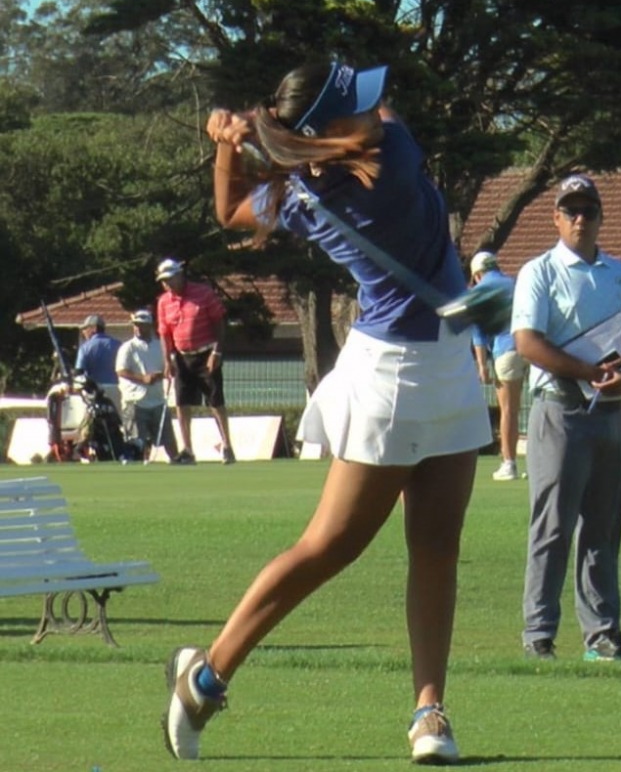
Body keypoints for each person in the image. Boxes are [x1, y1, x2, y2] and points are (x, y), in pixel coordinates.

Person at [161, 61, 491, 765]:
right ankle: (206, 673)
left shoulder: (302, 194)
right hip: (394, 376)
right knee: (330, 547)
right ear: (329, 133)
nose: (376, 111)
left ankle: (430, 713)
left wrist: (234, 141)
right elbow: (391, 120)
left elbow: (230, 212)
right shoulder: (393, 159)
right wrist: (259, 132)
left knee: (438, 547)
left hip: (448, 360)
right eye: (356, 110)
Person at [511, 173, 621, 662]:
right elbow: (527, 342)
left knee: (604, 527)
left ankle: (602, 635)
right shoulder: (541, 271)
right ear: (555, 217)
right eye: (570, 210)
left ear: (600, 216)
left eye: (587, 210)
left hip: (613, 413)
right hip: (561, 410)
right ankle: (539, 636)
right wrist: (588, 372)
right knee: (552, 526)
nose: (579, 218)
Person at [155, 258, 236, 465]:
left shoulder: (204, 293)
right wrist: (167, 360)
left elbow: (219, 321)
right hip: (182, 357)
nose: (167, 284)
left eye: (170, 279)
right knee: (182, 403)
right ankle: (188, 450)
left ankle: (227, 447)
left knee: (216, 401)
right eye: (163, 280)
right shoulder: (164, 302)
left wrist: (217, 352)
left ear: (180, 275)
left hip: (207, 353)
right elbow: (165, 334)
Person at [470, 251, 525, 481]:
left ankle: (509, 463)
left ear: (477, 274)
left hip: (506, 349)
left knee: (508, 410)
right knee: (537, 405)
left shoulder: (478, 292)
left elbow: (479, 335)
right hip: (531, 348)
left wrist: (482, 366)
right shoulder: (514, 283)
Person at [115, 309, 179, 463]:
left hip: (157, 399)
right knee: (136, 440)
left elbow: (170, 368)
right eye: (135, 325)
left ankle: (177, 462)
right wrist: (142, 378)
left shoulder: (160, 346)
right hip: (134, 400)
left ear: (150, 326)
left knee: (168, 439)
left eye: (141, 325)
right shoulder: (128, 347)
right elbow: (121, 370)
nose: (137, 328)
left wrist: (163, 374)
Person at [75, 314, 121, 413]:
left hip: (95, 392)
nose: (83, 332)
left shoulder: (85, 348)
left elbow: (79, 373)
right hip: (117, 390)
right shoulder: (119, 345)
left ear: (93, 329)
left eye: (85, 329)